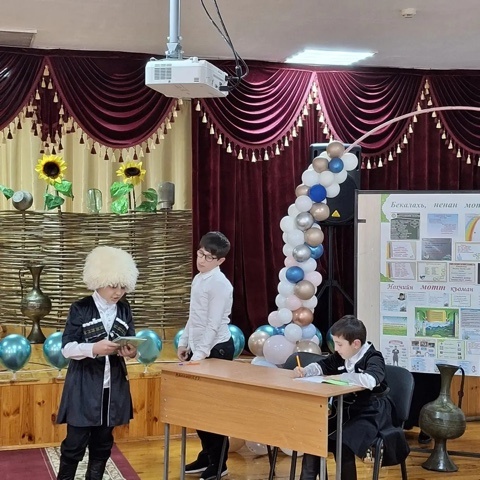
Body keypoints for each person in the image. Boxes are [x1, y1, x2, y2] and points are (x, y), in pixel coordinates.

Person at [56, 246, 139, 480]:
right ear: (98, 281)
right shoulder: (80, 308)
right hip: (83, 386)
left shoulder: (124, 309)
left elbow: (132, 341)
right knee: (75, 443)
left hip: (113, 387)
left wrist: (131, 352)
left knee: (103, 442)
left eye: (123, 286)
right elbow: (67, 348)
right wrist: (93, 349)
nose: (118, 292)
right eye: (113, 286)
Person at [293, 315, 409, 480]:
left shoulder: (373, 357)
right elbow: (323, 365)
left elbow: (371, 379)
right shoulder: (341, 355)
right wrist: (305, 371)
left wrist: (343, 377)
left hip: (373, 412)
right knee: (315, 436)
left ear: (356, 344)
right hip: (347, 409)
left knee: (343, 442)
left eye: (339, 344)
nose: (336, 348)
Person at [177, 231, 235, 480]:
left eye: (208, 257)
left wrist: (198, 356)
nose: (201, 260)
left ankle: (219, 463)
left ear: (220, 261)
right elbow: (195, 316)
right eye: (200, 254)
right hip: (200, 347)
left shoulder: (220, 284)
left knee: (213, 409)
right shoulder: (199, 278)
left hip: (217, 349)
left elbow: (212, 324)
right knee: (197, 407)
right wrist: (184, 342)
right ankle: (207, 455)